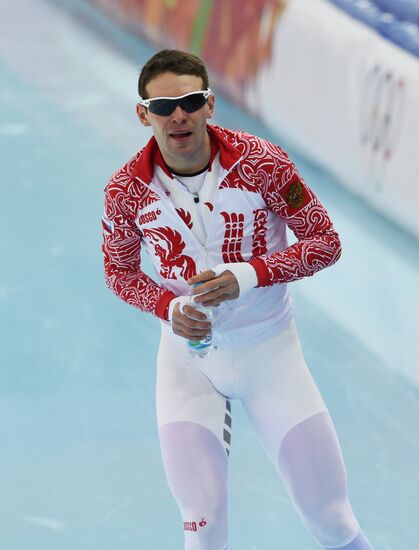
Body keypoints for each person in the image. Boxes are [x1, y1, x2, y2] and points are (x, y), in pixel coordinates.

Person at [102, 49, 373, 550]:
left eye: (188, 101)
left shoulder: (263, 164)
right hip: (187, 365)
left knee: (332, 522)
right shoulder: (125, 192)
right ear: (143, 115)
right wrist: (169, 308)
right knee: (202, 529)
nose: (176, 115)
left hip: (270, 353)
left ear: (209, 105)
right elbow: (117, 272)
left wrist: (250, 274)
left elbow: (324, 242)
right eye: (162, 106)